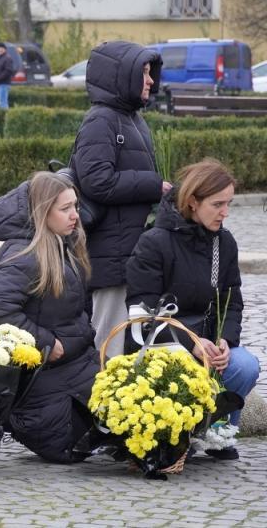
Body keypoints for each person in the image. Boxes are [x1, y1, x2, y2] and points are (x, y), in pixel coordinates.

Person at [126, 159, 260, 460]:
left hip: (208, 342)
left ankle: (217, 434)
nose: (225, 212)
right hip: (163, 348)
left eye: (229, 203)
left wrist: (225, 340)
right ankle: (180, 436)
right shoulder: (153, 243)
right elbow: (142, 314)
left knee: (245, 365)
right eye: (217, 204)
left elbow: (231, 302)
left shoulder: (224, 243)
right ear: (192, 202)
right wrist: (191, 343)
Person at [0, 171, 99, 463]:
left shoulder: (65, 244)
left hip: (77, 362)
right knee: (70, 446)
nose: (75, 215)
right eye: (65, 208)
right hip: (46, 373)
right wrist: (45, 342)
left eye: (75, 206)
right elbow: (0, 313)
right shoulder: (25, 255)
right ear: (42, 212)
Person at [71, 40, 170, 357]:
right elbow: (96, 180)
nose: (150, 80)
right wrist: (154, 185)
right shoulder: (101, 120)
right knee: (109, 344)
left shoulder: (132, 119)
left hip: (129, 252)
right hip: (109, 256)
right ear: (122, 75)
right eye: (144, 72)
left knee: (131, 346)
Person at [0, 43, 15, 110]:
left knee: (2, 103)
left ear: (5, 50)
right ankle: (2, 115)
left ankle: (5, 115)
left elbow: (8, 71)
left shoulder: (7, 58)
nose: (0, 50)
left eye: (2, 48)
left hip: (3, 84)